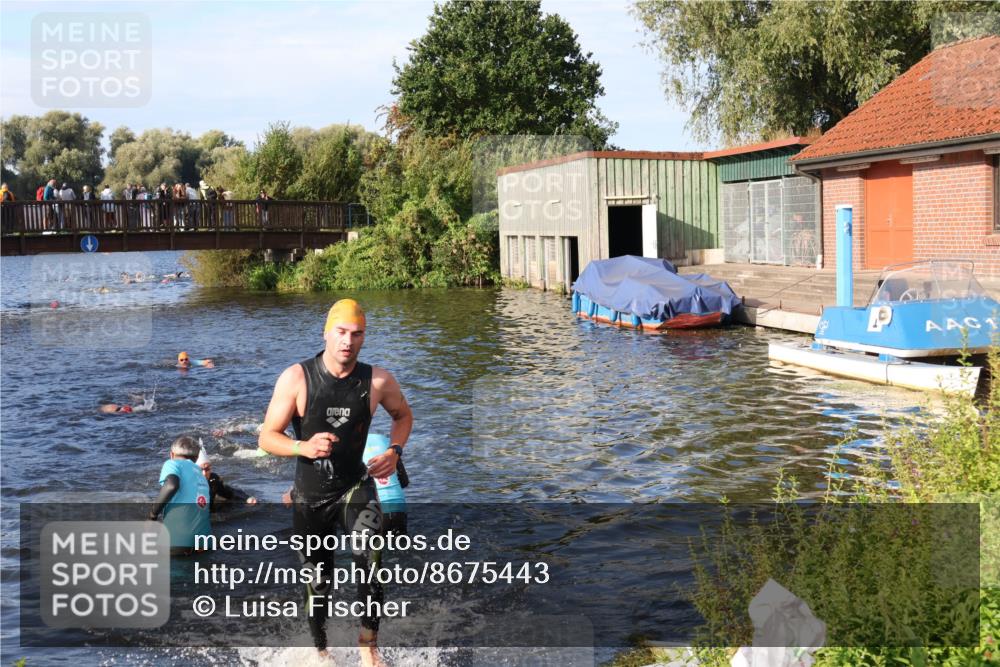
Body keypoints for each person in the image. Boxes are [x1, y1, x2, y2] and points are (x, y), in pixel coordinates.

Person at [259, 298, 413, 666]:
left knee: (370, 558)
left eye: (356, 334)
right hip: (310, 496)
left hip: (354, 486)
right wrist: (303, 446)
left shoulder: (377, 380)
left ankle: (368, 645)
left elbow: (403, 416)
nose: (348, 341)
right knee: (318, 584)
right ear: (327, 333)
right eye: (341, 333)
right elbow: (266, 436)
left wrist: (394, 451)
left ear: (364, 338)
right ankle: (321, 651)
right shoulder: (297, 378)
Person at [148, 435, 212, 555]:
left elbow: (171, 485)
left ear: (172, 454)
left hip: (179, 540)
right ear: (197, 457)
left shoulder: (173, 464)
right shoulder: (202, 476)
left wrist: (152, 515)